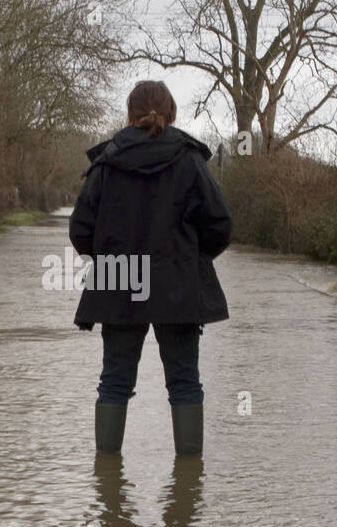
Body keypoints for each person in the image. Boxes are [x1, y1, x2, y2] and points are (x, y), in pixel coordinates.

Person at [69, 79, 233, 456]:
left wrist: (108, 260)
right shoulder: (190, 160)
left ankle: (107, 489)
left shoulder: (107, 162)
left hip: (118, 281)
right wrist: (191, 259)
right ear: (170, 113)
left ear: (130, 114)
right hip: (177, 284)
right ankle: (188, 490)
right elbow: (221, 225)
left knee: (113, 382)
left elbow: (80, 231)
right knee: (185, 383)